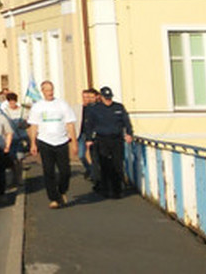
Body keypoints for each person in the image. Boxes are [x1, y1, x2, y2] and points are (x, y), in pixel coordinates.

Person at [27, 81, 78, 209]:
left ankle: (62, 191)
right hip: (45, 141)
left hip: (61, 140)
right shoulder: (37, 107)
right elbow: (34, 126)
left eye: (51, 90)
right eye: (47, 90)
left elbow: (70, 124)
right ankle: (53, 198)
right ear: (42, 91)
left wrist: (74, 143)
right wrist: (33, 143)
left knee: (65, 170)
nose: (50, 93)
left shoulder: (62, 105)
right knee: (48, 171)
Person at [86, 86, 134, 199]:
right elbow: (89, 125)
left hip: (116, 139)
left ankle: (117, 190)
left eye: (110, 98)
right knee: (105, 165)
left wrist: (129, 133)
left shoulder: (119, 107)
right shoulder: (95, 109)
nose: (108, 100)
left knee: (117, 164)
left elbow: (126, 122)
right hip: (102, 139)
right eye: (106, 98)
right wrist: (88, 139)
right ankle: (106, 189)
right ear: (101, 97)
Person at [78, 88, 99, 189]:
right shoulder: (79, 108)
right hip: (81, 134)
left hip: (91, 134)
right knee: (81, 155)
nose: (87, 99)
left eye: (89, 97)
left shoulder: (93, 108)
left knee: (93, 155)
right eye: (85, 97)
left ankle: (95, 174)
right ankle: (89, 169)